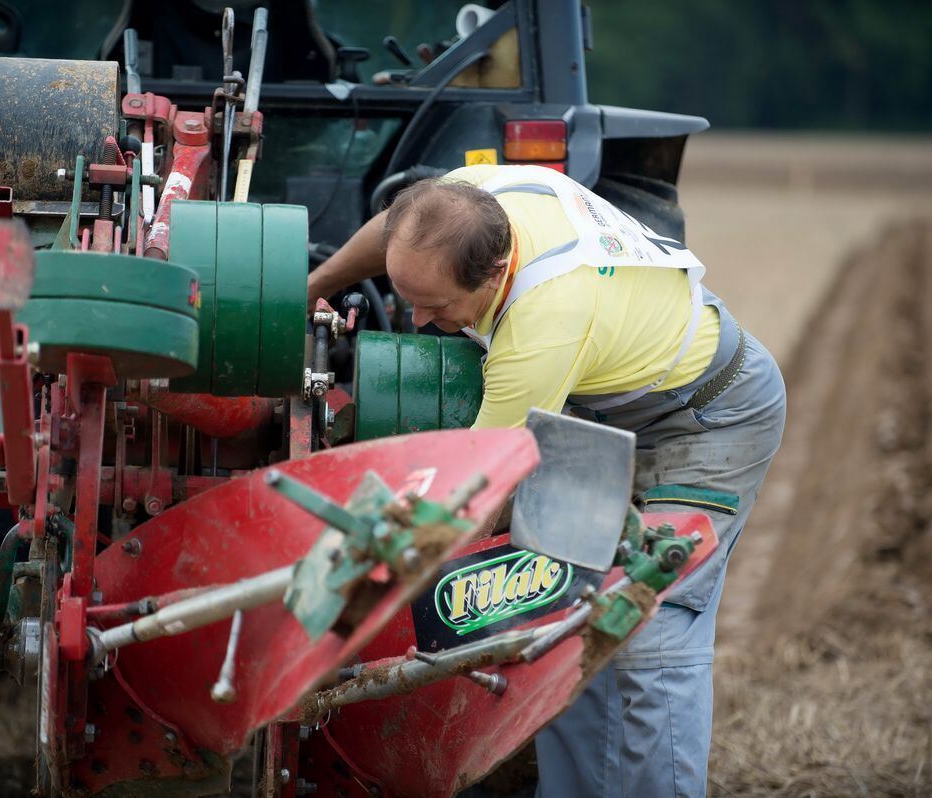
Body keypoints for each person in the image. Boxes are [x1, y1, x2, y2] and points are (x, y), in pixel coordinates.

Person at [307, 163, 786, 797]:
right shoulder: (466, 206)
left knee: (644, 622)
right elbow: (395, 230)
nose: (419, 322)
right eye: (410, 298)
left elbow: (477, 497)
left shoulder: (540, 326)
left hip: (707, 421)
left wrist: (366, 592)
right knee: (558, 607)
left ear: (497, 271)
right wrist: (310, 285)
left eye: (438, 307)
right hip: (601, 406)